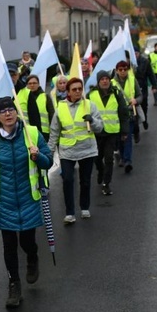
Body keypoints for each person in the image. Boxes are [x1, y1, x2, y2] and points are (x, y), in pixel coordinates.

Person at [0, 97, 53, 308]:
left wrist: (38, 156)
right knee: (10, 246)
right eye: (3, 111)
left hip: (28, 198)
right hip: (4, 202)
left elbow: (48, 161)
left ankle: (33, 257)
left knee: (27, 241)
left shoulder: (31, 133)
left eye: (11, 109)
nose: (8, 114)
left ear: (16, 111)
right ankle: (14, 284)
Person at [48, 77, 103, 223]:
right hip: (67, 150)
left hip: (87, 149)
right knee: (67, 180)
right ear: (68, 92)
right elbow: (54, 131)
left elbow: (100, 127)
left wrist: (92, 120)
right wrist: (50, 151)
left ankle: (84, 207)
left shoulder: (90, 105)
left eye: (80, 88)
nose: (78, 91)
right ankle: (70, 212)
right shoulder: (61, 107)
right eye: (74, 89)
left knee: (85, 181)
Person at [88, 70, 129, 196]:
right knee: (98, 158)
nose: (105, 81)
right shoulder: (91, 94)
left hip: (112, 131)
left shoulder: (116, 93)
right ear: (98, 81)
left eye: (106, 79)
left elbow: (123, 112)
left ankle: (106, 183)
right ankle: (100, 171)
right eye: (102, 79)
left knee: (109, 158)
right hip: (97, 132)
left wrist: (124, 131)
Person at [111, 60, 142, 174]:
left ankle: (128, 161)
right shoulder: (112, 83)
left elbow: (140, 96)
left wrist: (136, 101)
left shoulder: (132, 80)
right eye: (120, 69)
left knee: (128, 138)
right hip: (117, 115)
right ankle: (122, 156)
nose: (123, 71)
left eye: (125, 69)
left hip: (129, 115)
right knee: (120, 139)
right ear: (117, 71)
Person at [16, 74, 56, 141]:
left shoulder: (45, 97)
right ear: (26, 85)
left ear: (38, 84)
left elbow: (52, 115)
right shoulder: (21, 97)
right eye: (30, 83)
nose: (32, 85)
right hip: (27, 131)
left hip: (44, 133)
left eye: (34, 83)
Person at [133, 44, 156, 133]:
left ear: (139, 53)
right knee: (134, 108)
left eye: (136, 53)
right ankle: (136, 129)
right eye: (133, 53)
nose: (135, 55)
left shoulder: (145, 61)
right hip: (132, 89)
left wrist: (154, 86)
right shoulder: (128, 63)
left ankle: (144, 120)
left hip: (142, 87)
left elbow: (151, 74)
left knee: (143, 106)